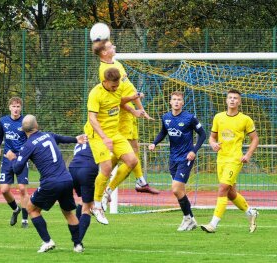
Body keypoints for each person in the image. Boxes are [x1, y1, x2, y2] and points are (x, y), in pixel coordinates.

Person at [7, 114, 87, 253]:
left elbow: (17, 169)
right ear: (36, 125)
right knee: (68, 213)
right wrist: (76, 139)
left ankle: (47, 241)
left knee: (32, 209)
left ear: (23, 130)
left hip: (50, 182)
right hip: (67, 179)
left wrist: (13, 159)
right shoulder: (48, 135)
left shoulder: (28, 145)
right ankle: (78, 245)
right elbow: (61, 138)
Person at [92, 39, 159, 196]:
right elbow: (115, 100)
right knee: (127, 154)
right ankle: (108, 190)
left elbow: (129, 88)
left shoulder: (116, 63)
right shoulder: (105, 71)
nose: (114, 47)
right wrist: (133, 108)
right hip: (120, 115)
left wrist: (140, 109)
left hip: (129, 112)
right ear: (104, 52)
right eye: (110, 46)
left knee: (130, 152)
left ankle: (139, 181)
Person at [84, 67, 138, 225]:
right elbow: (92, 119)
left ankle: (109, 191)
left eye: (117, 85)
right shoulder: (95, 93)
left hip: (114, 132)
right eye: (113, 86)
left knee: (133, 161)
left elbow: (119, 101)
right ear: (105, 81)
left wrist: (133, 110)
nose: (116, 88)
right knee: (106, 168)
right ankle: (97, 205)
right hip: (97, 134)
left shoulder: (119, 86)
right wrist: (104, 138)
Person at [201, 90, 259, 233]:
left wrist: (248, 155)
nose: (232, 100)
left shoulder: (245, 119)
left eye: (235, 98)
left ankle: (213, 224)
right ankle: (250, 212)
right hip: (221, 159)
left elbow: (255, 139)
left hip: (235, 159)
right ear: (226, 101)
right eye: (230, 98)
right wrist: (213, 144)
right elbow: (212, 137)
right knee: (230, 193)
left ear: (239, 102)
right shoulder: (218, 117)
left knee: (222, 189)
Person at [148, 91, 206, 231]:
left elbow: (203, 134)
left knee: (175, 188)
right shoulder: (166, 117)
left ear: (182, 103)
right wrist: (154, 143)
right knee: (180, 191)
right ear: (170, 102)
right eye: (174, 99)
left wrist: (193, 151)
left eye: (179, 100)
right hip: (173, 158)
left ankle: (187, 218)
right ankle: (190, 220)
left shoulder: (189, 118)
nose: (176, 102)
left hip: (186, 158)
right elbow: (163, 132)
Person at [0, 97, 29, 228]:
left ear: (21, 108)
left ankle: (25, 220)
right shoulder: (3, 121)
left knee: (22, 188)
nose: (16, 109)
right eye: (13, 106)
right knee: (4, 190)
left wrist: (25, 154)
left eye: (18, 106)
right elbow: (0, 136)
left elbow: (31, 139)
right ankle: (15, 209)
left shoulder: (26, 122)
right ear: (9, 107)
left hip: (21, 158)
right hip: (7, 158)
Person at [69, 142, 98, 249]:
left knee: (83, 201)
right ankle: (77, 242)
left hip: (72, 168)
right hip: (87, 169)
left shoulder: (79, 142)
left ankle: (76, 232)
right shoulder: (99, 140)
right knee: (87, 207)